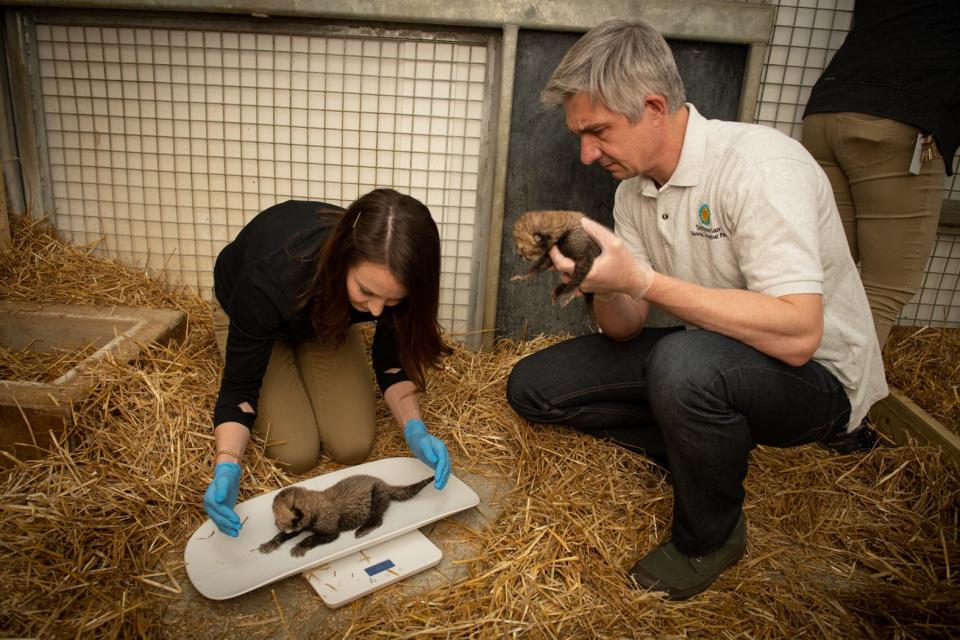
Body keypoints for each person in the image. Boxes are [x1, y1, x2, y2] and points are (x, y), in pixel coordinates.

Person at [505, 20, 888, 600]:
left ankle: (710, 537)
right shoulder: (632, 190)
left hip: (816, 378)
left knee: (684, 364)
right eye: (579, 135)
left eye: (598, 132)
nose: (586, 155)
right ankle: (701, 446)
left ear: (654, 107)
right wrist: (600, 279)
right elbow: (625, 326)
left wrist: (644, 278)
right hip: (715, 357)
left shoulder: (758, 168)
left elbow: (798, 335)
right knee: (533, 387)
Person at [203, 188, 453, 537]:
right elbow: (239, 390)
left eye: (392, 299)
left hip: (324, 317)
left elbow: (391, 361)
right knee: (297, 453)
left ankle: (317, 333)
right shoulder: (270, 276)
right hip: (258, 311)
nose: (378, 311)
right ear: (343, 260)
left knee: (352, 444)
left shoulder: (392, 281)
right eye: (366, 292)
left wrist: (416, 429)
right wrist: (227, 465)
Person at [801, 0, 960, 351]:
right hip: (900, 118)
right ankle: (840, 401)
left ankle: (777, 385)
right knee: (885, 288)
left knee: (821, 274)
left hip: (829, 106)